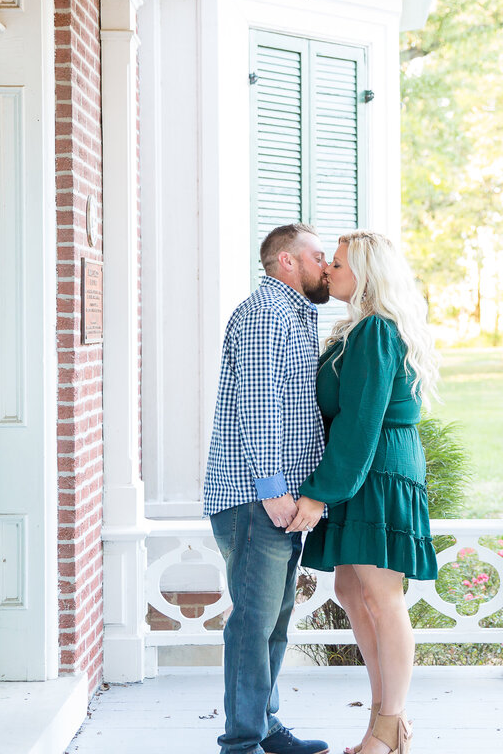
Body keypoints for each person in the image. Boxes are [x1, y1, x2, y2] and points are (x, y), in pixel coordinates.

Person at [286, 230, 440, 754]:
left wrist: (318, 492)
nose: (328, 269)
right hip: (360, 471)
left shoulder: (375, 330)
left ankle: (389, 727)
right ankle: (383, 722)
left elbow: (359, 423)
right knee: (352, 593)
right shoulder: (357, 329)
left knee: (380, 596)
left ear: (367, 275)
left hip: (376, 471)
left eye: (339, 263)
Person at [202, 223, 332, 754]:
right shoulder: (264, 315)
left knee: (274, 620)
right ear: (286, 262)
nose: (326, 265)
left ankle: (266, 726)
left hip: (279, 498)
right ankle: (241, 742)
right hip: (256, 499)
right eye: (318, 255)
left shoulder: (298, 315)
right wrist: (275, 489)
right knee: (253, 624)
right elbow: (260, 408)